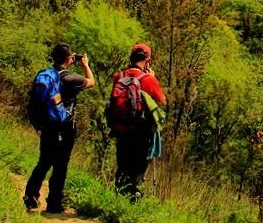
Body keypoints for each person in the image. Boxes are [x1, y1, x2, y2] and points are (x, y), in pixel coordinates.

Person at [23, 43, 94, 214]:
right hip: (65, 126)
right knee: (60, 166)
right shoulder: (71, 79)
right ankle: (54, 203)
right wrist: (85, 65)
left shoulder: (45, 75)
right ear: (69, 59)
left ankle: (30, 197)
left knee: (44, 161)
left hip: (47, 125)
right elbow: (91, 82)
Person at [108, 43, 166, 202]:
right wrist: (153, 79)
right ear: (147, 61)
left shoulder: (118, 76)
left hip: (120, 129)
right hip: (140, 133)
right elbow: (162, 102)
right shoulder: (148, 80)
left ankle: (118, 201)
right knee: (137, 171)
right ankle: (132, 201)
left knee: (123, 166)